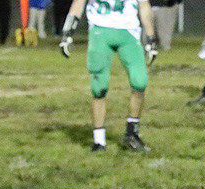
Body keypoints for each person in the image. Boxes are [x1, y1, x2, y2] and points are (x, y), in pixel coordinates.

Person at [59, 0, 159, 151]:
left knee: (140, 81)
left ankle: (132, 134)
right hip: (100, 30)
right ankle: (99, 140)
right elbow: (78, 3)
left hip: (129, 32)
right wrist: (67, 32)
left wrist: (151, 36)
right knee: (99, 87)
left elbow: (144, 5)